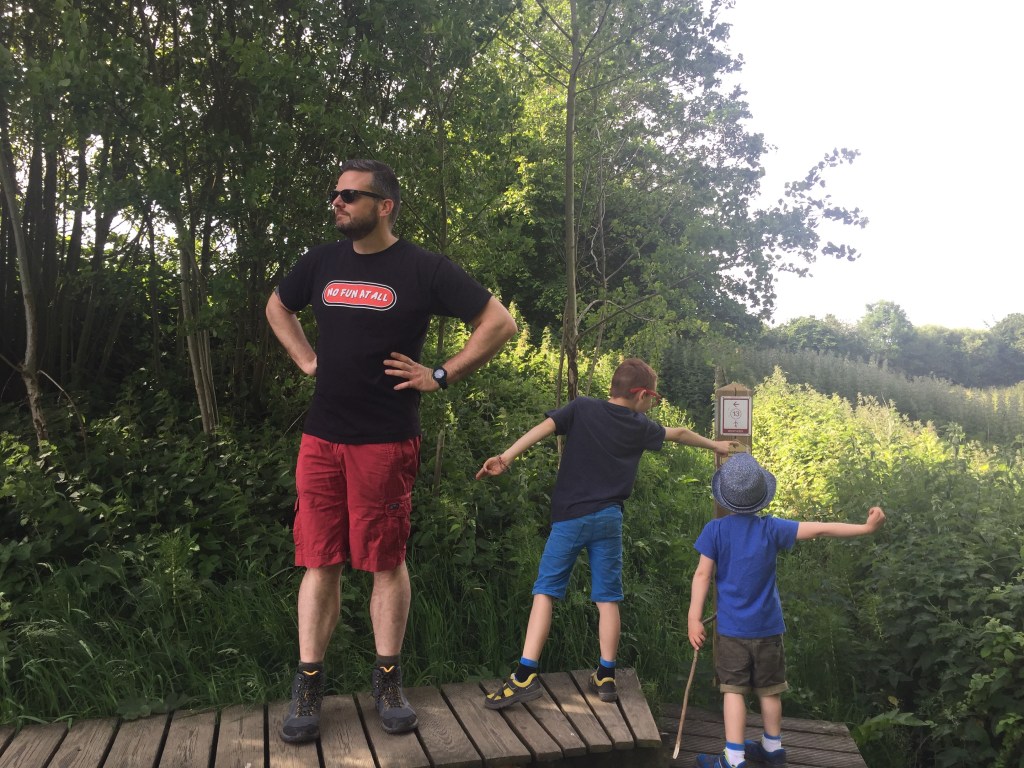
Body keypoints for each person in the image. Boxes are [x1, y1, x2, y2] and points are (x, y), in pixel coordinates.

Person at [266, 158, 517, 743]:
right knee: (320, 560)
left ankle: (387, 681)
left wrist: (441, 374)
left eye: (350, 195)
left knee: (384, 560)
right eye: (335, 193)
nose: (338, 202)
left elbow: (498, 322)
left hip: (385, 440)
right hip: (321, 439)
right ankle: (308, 685)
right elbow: (278, 306)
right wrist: (306, 359)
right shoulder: (320, 262)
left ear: (385, 206)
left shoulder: (423, 268)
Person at [476, 358, 736, 709]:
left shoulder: (582, 407)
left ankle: (524, 676)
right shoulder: (639, 426)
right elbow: (679, 434)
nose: (653, 404)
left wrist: (505, 457)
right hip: (609, 519)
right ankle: (606, 675)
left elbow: (544, 428)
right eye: (654, 398)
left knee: (546, 591)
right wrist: (717, 446)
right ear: (641, 394)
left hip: (571, 518)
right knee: (607, 598)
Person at [687, 451, 886, 768]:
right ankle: (773, 749)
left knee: (733, 691)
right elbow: (819, 529)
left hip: (733, 632)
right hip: (769, 629)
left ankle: (734, 759)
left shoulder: (715, 530)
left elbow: (702, 575)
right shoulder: (772, 528)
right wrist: (865, 528)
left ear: (724, 496)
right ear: (760, 497)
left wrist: (694, 618)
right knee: (770, 691)